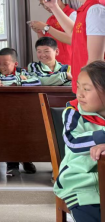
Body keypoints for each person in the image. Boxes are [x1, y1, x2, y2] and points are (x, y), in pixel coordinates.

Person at [54, 61, 105, 223]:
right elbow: (73, 141)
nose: (79, 94)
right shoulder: (73, 112)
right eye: (78, 87)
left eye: (87, 89)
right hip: (81, 183)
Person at [46, 0, 105, 92]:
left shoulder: (95, 9)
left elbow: (95, 61)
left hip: (92, 88)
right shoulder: (88, 7)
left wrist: (86, 91)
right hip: (85, 85)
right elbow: (75, 33)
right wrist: (54, 7)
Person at [0, 48, 40, 177]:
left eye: (5, 64)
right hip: (1, 111)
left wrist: (17, 82)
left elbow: (37, 81)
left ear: (15, 63)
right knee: (9, 133)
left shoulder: (23, 72)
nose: (1, 67)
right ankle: (12, 164)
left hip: (22, 110)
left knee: (26, 132)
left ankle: (26, 159)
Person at [28, 0, 76, 66]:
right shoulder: (50, 19)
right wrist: (39, 32)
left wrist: (46, 27)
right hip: (54, 64)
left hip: (69, 63)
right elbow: (46, 43)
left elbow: (73, 39)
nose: (45, 7)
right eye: (42, 4)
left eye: (46, 2)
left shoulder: (72, 14)